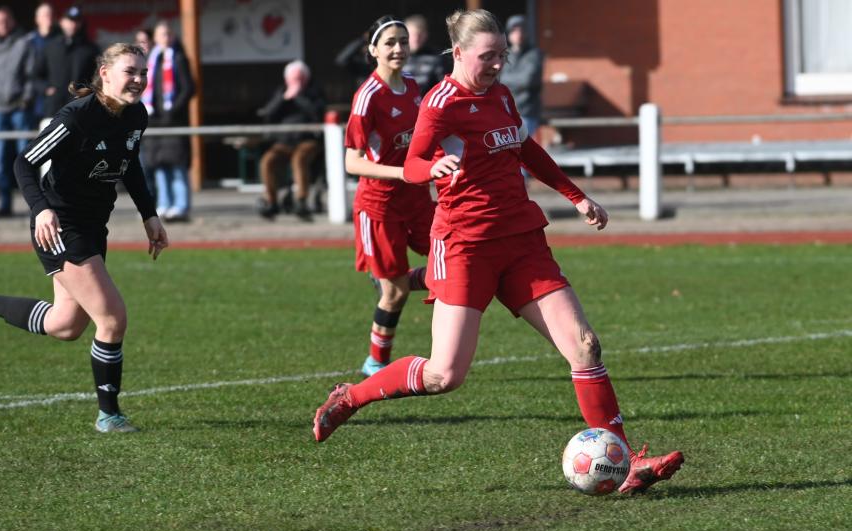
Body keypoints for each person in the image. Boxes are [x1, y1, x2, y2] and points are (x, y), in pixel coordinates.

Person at [313, 9, 684, 495]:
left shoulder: (502, 95)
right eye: (488, 57)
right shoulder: (440, 102)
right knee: (445, 374)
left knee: (585, 345)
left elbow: (526, 149)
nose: (497, 65)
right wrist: (433, 167)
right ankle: (352, 396)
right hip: (465, 244)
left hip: (522, 240)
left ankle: (621, 458)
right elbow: (412, 163)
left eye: (502, 56)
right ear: (460, 53)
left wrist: (576, 195)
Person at [0, 43, 169, 434]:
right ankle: (108, 415)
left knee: (65, 325)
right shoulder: (76, 116)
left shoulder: (136, 115)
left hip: (93, 227)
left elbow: (131, 167)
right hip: (60, 227)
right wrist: (42, 209)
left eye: (144, 72)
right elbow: (23, 161)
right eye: (131, 71)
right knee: (112, 318)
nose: (140, 80)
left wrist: (150, 215)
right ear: (105, 73)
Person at [344, 16, 434, 377]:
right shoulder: (368, 96)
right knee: (394, 293)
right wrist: (402, 172)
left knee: (455, 257)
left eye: (403, 41)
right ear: (373, 50)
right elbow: (352, 162)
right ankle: (376, 362)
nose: (398, 49)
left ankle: (391, 276)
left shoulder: (414, 88)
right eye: (390, 42)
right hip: (379, 206)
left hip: (416, 199)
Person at [0, 6, 36, 217]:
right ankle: (5, 204)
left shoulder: (24, 45)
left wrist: (25, 99)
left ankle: (33, 205)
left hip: (19, 109)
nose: (2, 24)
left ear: (12, 22)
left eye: (5, 20)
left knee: (25, 159)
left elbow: (30, 75)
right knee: (0, 159)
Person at [256, 60, 325, 220]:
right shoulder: (281, 91)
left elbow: (317, 113)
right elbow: (268, 113)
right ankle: (272, 201)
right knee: (267, 161)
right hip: (285, 141)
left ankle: (301, 200)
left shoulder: (314, 92)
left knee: (299, 159)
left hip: (307, 140)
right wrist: (284, 97)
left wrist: (299, 96)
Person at [142, 21, 195, 222]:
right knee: (159, 164)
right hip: (155, 120)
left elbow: (189, 88)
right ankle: (164, 203)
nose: (165, 38)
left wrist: (174, 110)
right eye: (161, 34)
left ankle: (181, 205)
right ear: (155, 38)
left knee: (177, 165)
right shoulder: (150, 61)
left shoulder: (179, 59)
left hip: (174, 121)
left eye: (168, 34)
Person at [40, 6, 99, 120]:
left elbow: (97, 77)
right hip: (53, 108)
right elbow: (36, 75)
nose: (73, 24)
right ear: (62, 22)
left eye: (76, 21)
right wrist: (46, 89)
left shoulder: (90, 48)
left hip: (80, 108)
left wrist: (87, 94)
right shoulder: (50, 46)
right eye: (69, 20)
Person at [501, 14, 543, 139]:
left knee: (521, 148)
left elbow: (528, 80)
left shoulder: (534, 54)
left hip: (526, 112)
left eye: (522, 30)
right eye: (514, 30)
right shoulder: (504, 55)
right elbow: (496, 80)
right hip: (505, 110)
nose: (518, 34)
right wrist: (511, 79)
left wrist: (506, 79)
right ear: (508, 34)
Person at [27, 2, 60, 124]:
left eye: (51, 14)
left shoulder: (60, 40)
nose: (49, 18)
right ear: (37, 19)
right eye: (45, 15)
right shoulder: (29, 42)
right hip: (30, 97)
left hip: (53, 97)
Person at [401, 14, 447, 96]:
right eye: (413, 34)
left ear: (426, 34)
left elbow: (442, 87)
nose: (416, 38)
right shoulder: (397, 56)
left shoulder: (436, 58)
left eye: (419, 34)